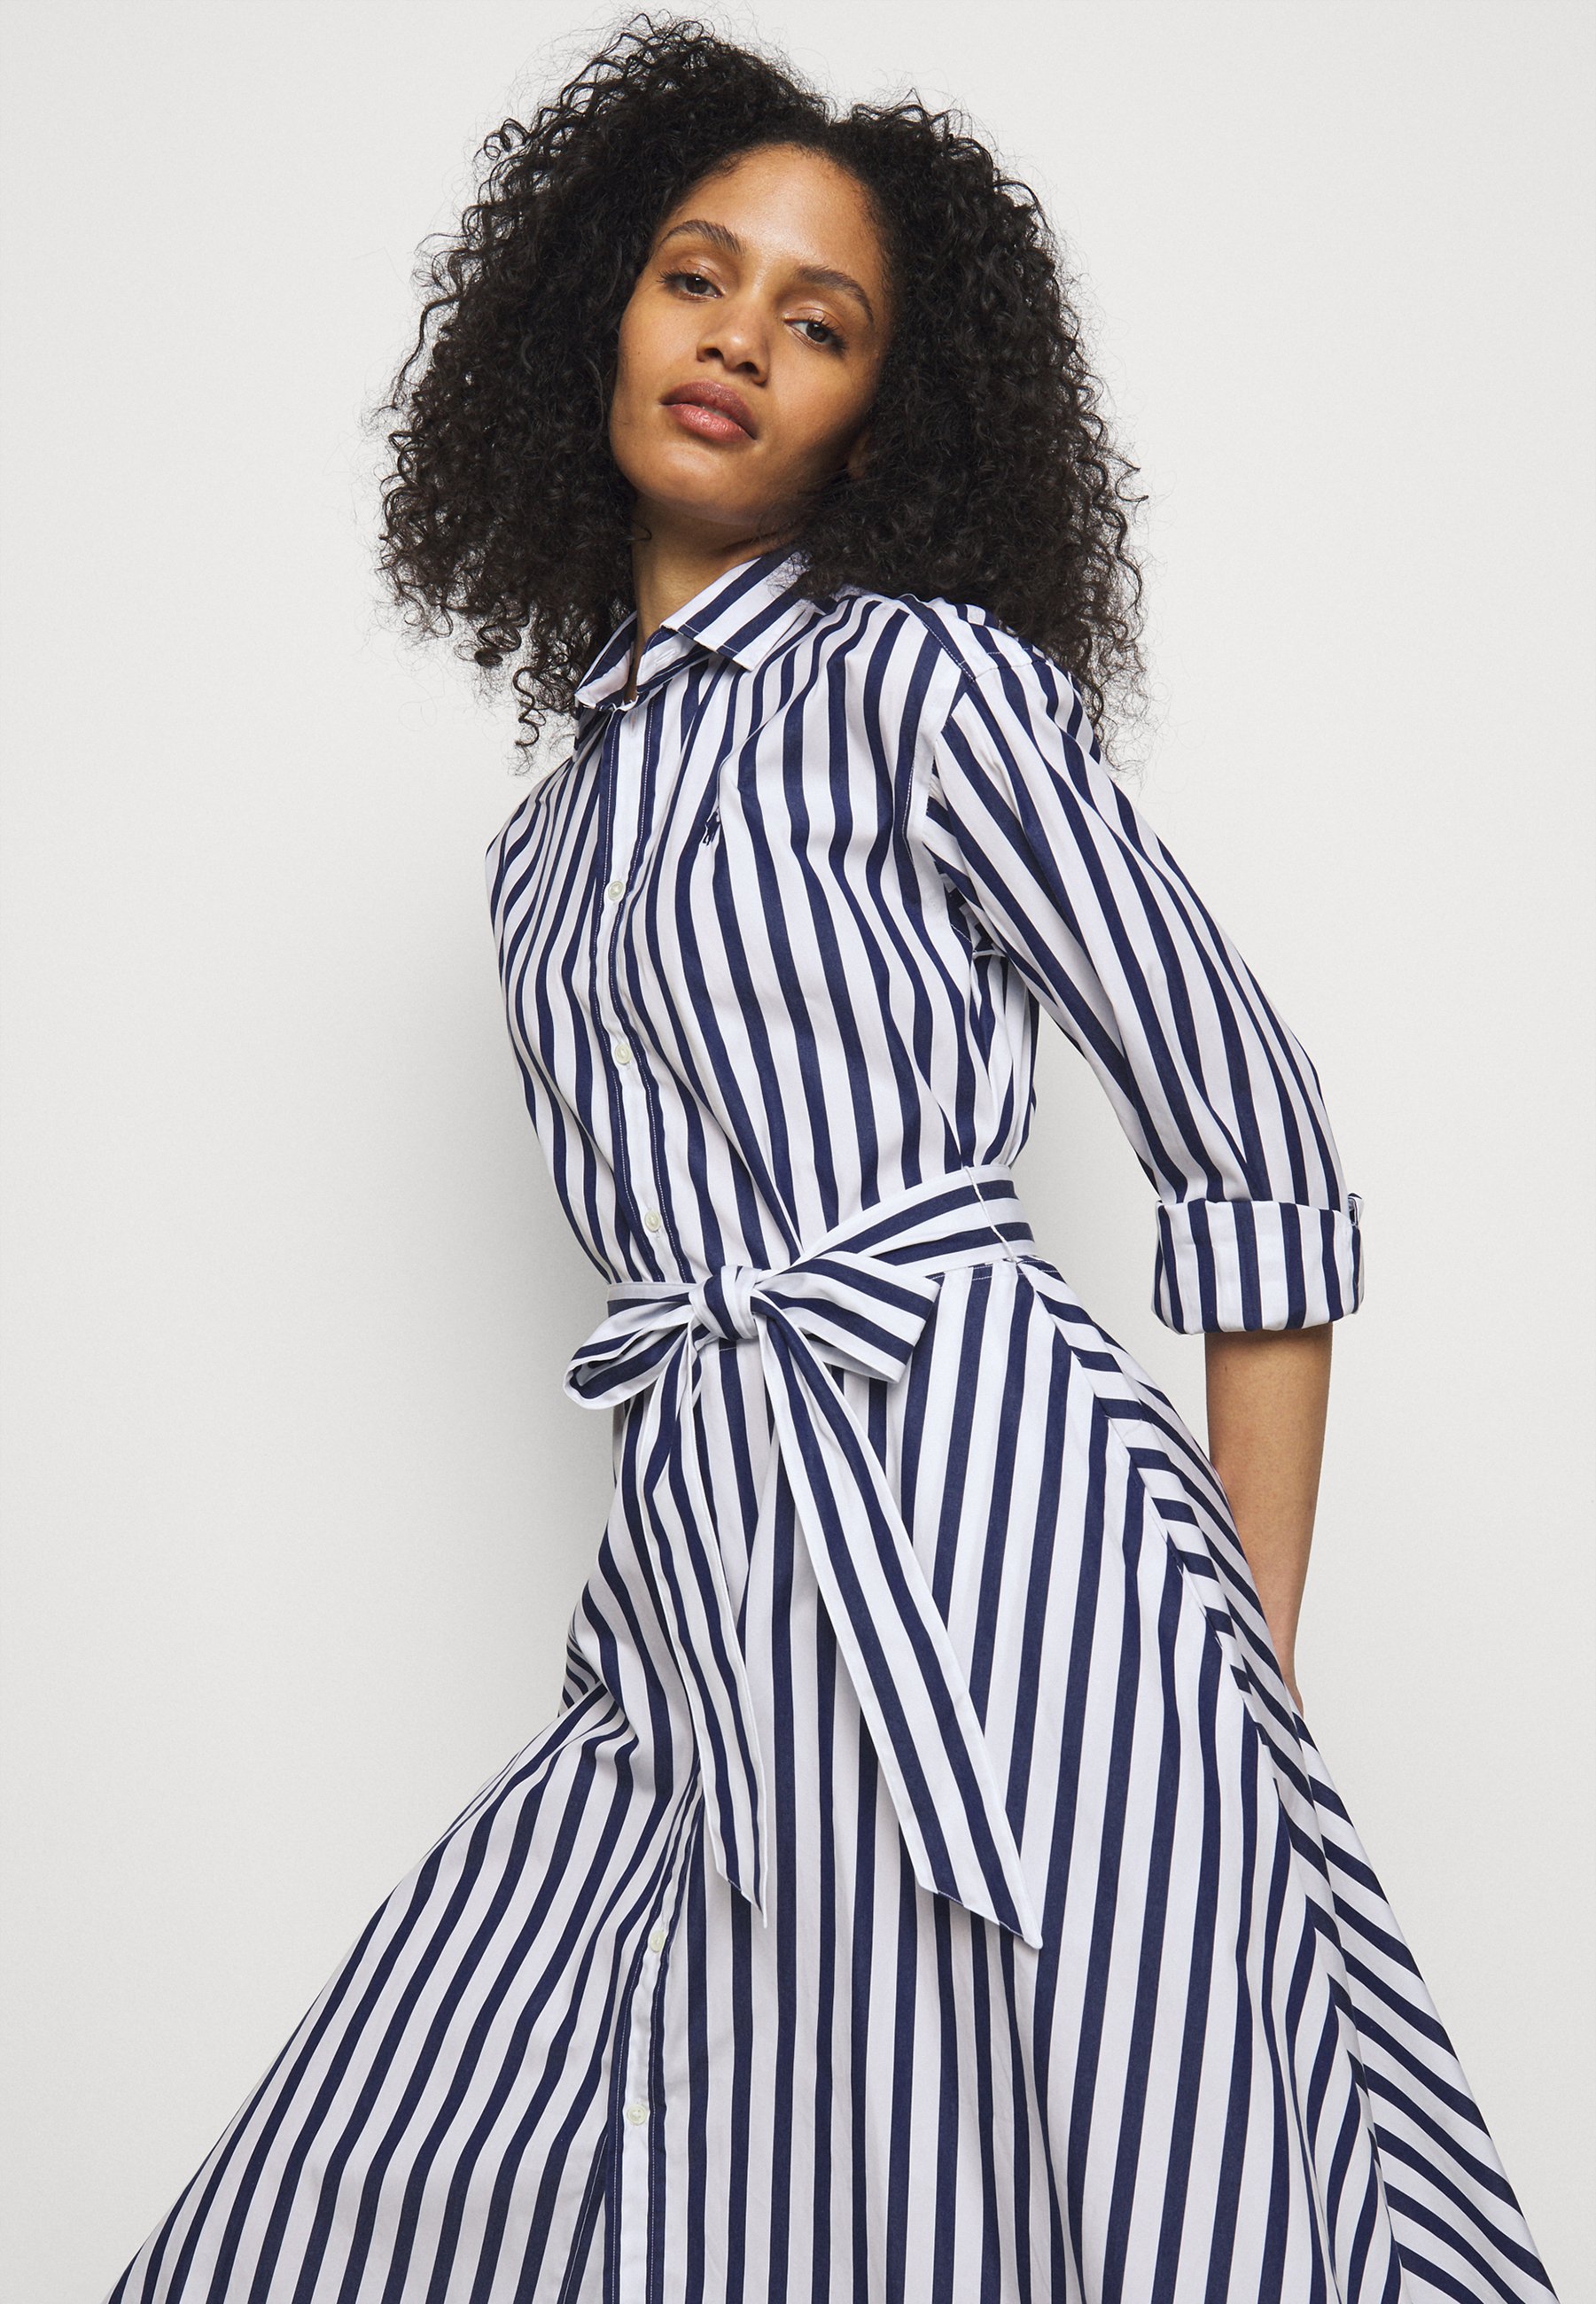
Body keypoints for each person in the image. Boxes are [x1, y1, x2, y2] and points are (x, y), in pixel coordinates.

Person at [105, 19, 1558, 2302]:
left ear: (880, 416)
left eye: (820, 321)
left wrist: (1238, 1684)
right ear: (600, 312)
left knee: (1085, 2188)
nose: (737, 341)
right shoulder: (540, 849)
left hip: (1017, 1571)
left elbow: (1254, 1138)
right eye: (699, 278)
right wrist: (664, 1641)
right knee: (474, 2151)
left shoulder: (924, 687)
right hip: (707, 1605)